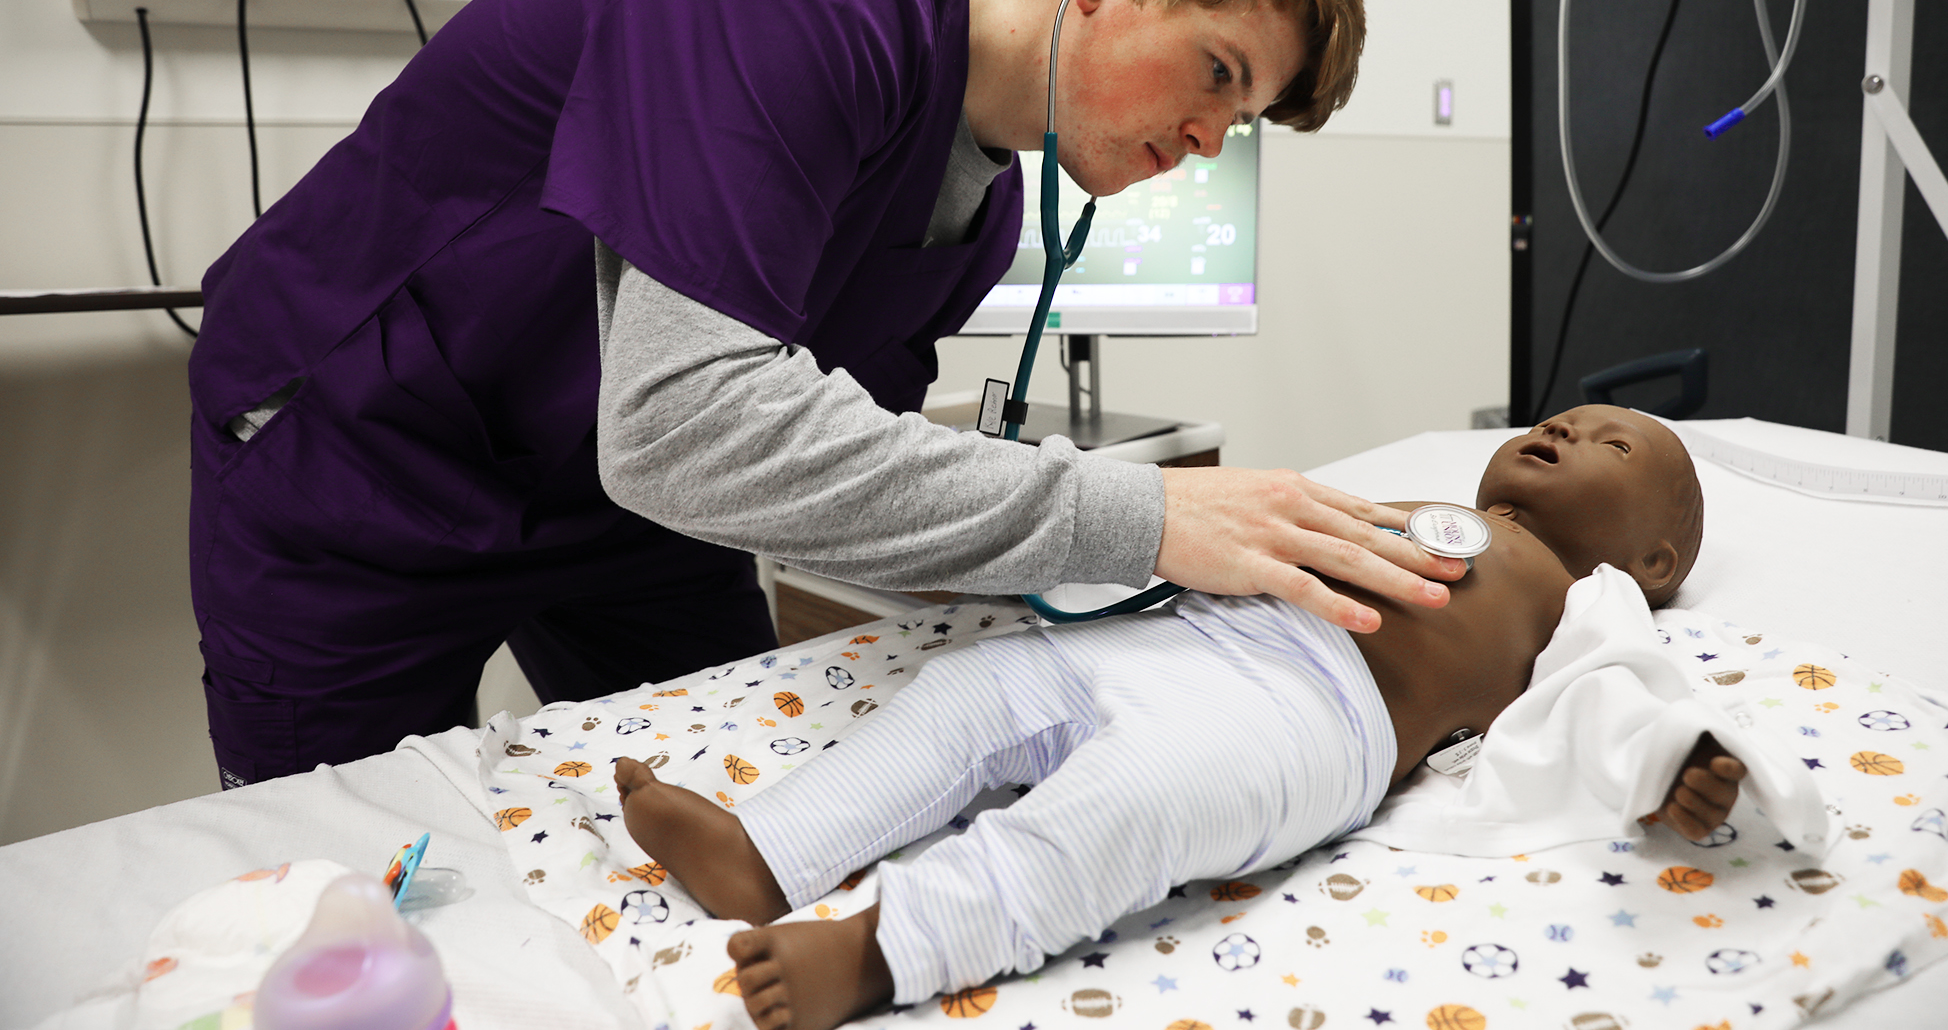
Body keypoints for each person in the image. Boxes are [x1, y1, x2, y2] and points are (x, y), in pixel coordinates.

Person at [186, 0, 1461, 790]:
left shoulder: (982, 215)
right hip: (360, 460)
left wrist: (1101, 619)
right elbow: (687, 424)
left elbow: (823, 486)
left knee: (737, 804)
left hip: (618, 514)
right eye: (1217, 72)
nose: (1203, 137)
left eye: (1236, 121)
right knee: (347, 887)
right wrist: (1138, 515)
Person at [611, 405, 1749, 1030]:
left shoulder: (1579, 592)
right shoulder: (1428, 502)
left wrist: (1673, 759)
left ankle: (879, 950)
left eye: (1612, 444)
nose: (1560, 431)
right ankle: (771, 848)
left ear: (1655, 556)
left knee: (1123, 807)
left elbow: (1617, 693)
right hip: (1191, 632)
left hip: (1315, 716)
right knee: (973, 688)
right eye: (1558, 418)